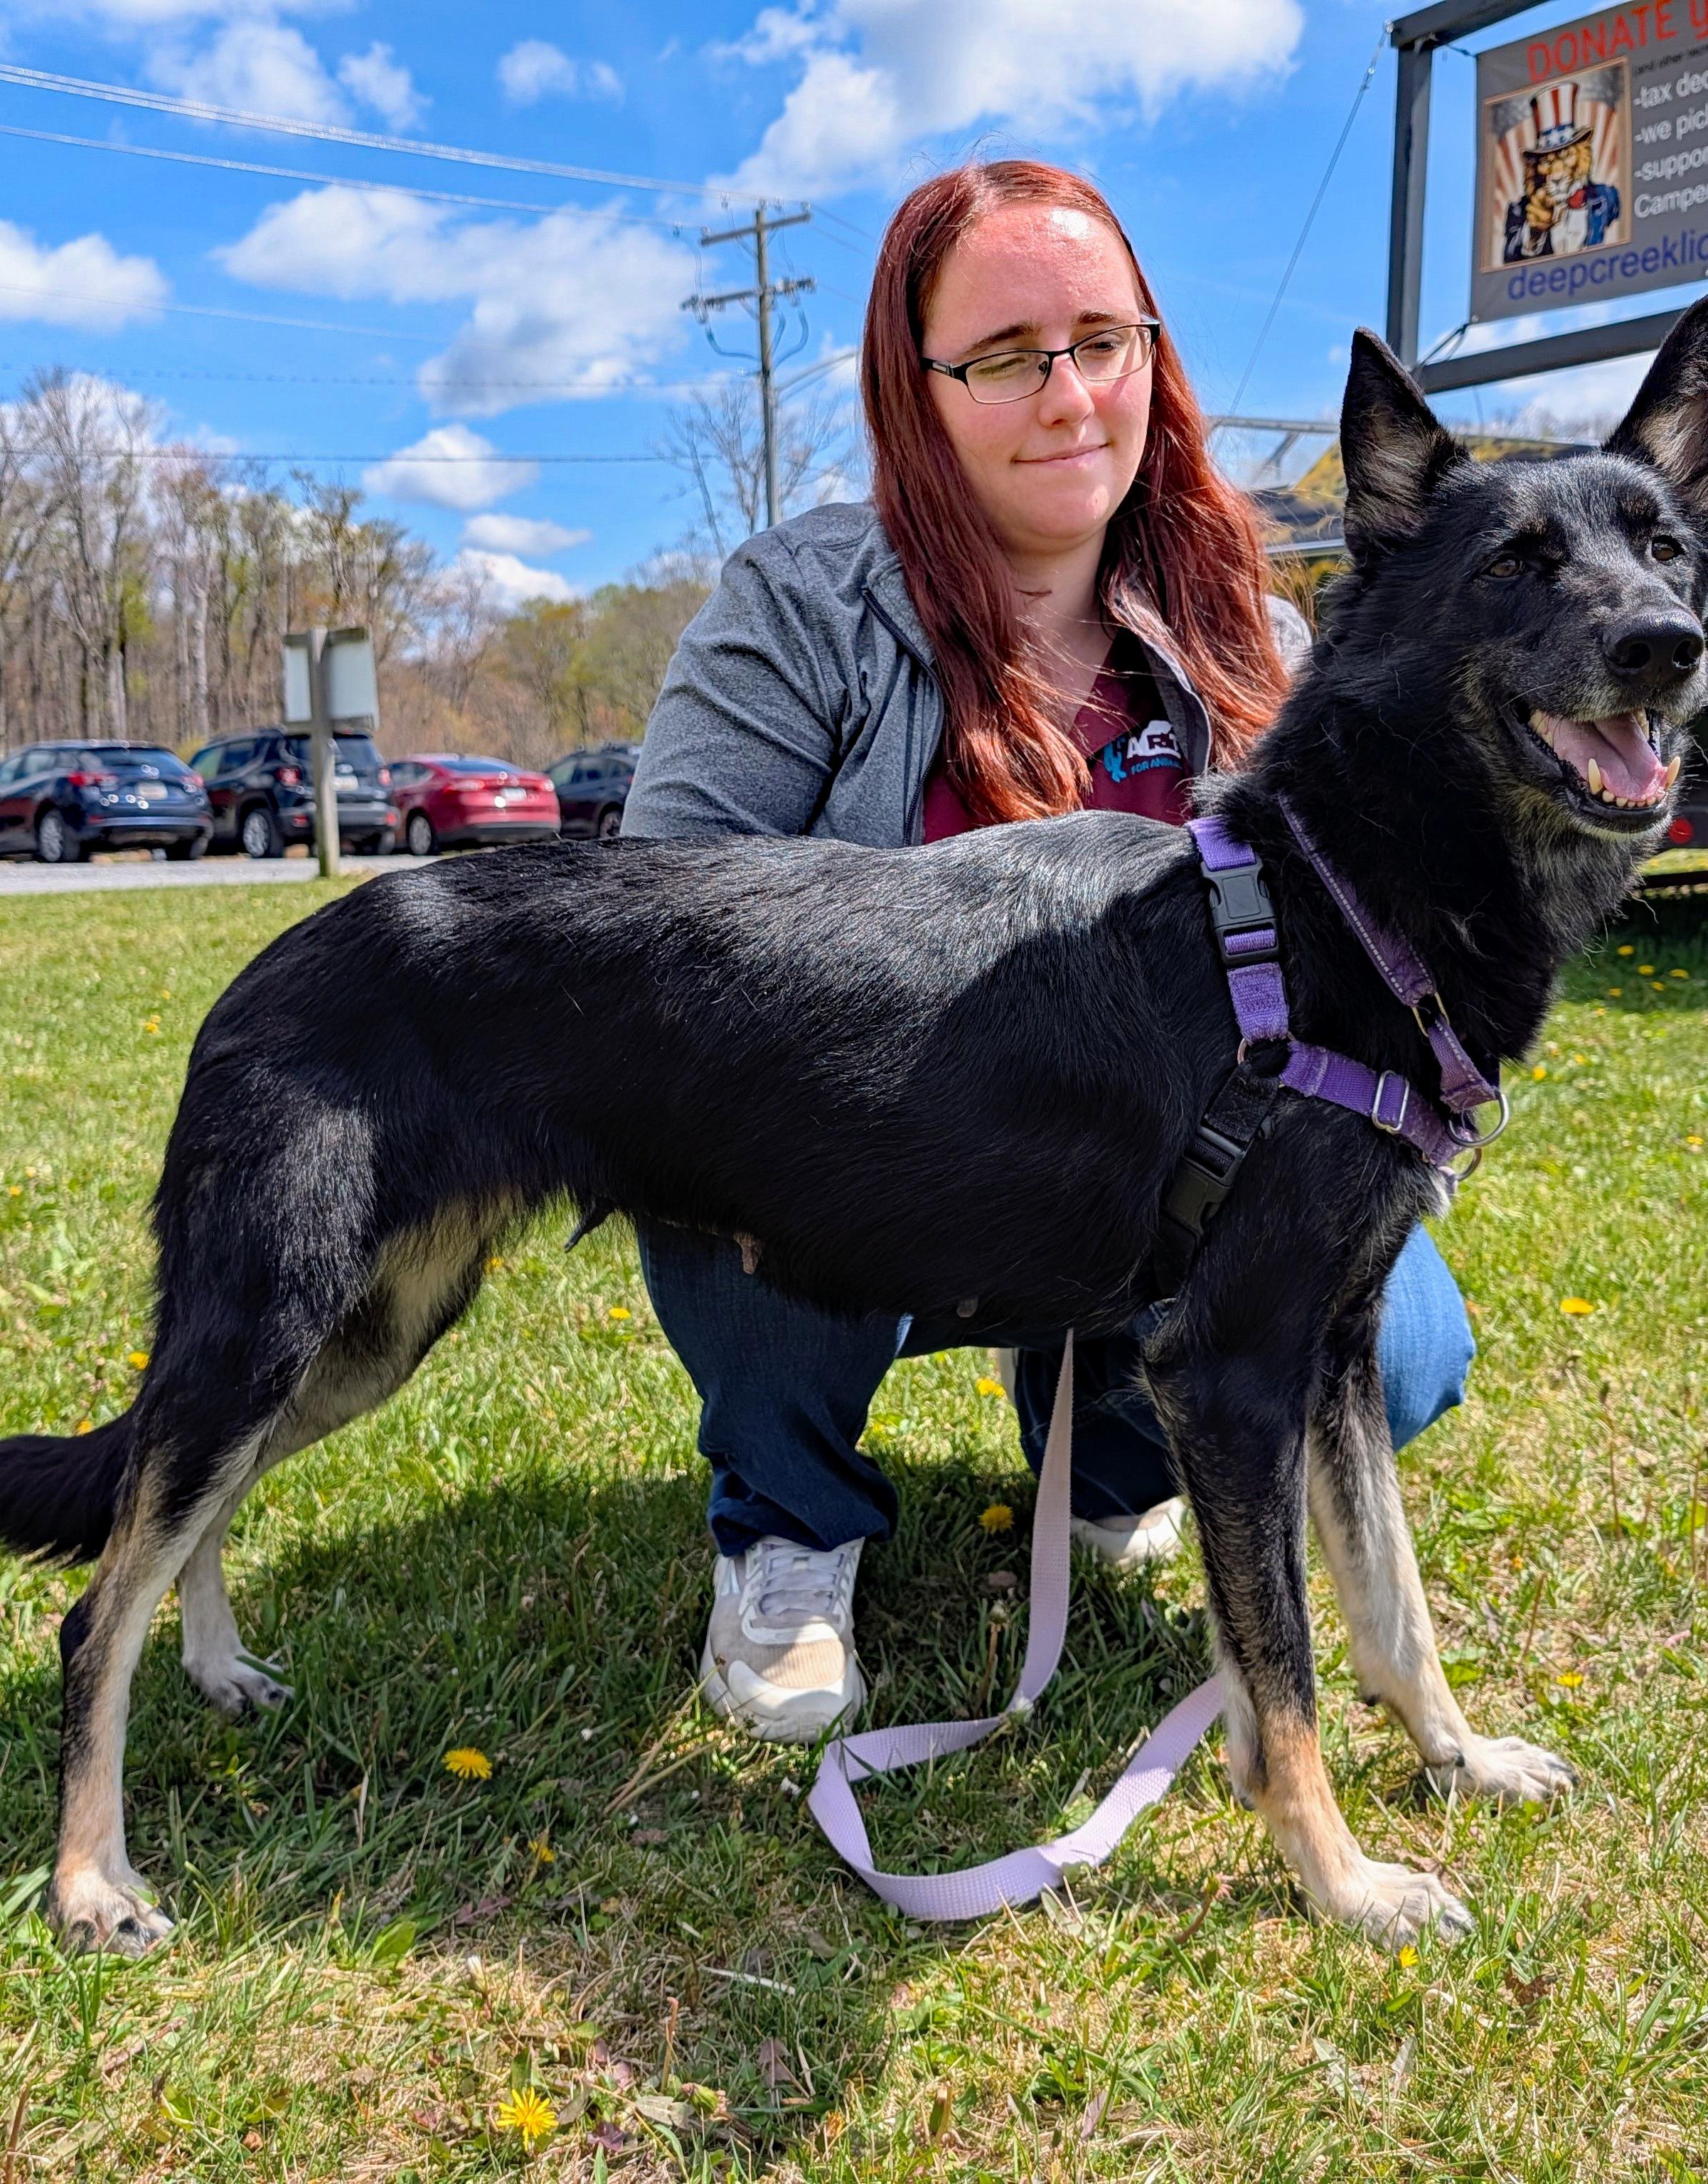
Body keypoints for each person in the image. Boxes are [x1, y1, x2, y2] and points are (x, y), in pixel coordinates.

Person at [621, 160, 1475, 1742]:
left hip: (1159, 1176)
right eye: (1009, 354)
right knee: (743, 1166)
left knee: (1403, 1335)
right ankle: (791, 1529)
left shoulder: (1254, 641)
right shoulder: (802, 605)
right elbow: (663, 925)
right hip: (881, 1157)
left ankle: (1116, 1468)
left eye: (1105, 339)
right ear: (917, 386)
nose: (1070, 394)